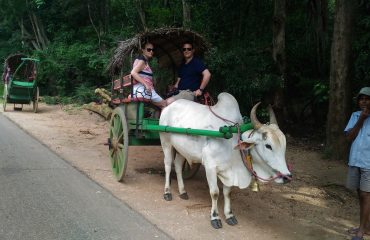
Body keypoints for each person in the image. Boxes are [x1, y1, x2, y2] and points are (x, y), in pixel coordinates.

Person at [345, 87, 370, 240]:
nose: (364, 101)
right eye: (361, 99)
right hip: (355, 161)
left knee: (366, 195)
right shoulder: (355, 116)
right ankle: (366, 226)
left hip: (369, 164)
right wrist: (361, 119)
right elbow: (349, 137)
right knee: (360, 195)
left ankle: (361, 230)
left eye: (367, 98)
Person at [130, 42, 167, 109]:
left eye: (153, 50)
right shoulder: (142, 61)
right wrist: (146, 84)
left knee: (157, 106)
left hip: (136, 90)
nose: (151, 51)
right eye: (149, 49)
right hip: (143, 91)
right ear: (143, 50)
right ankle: (163, 119)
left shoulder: (139, 60)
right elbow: (133, 72)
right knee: (164, 104)